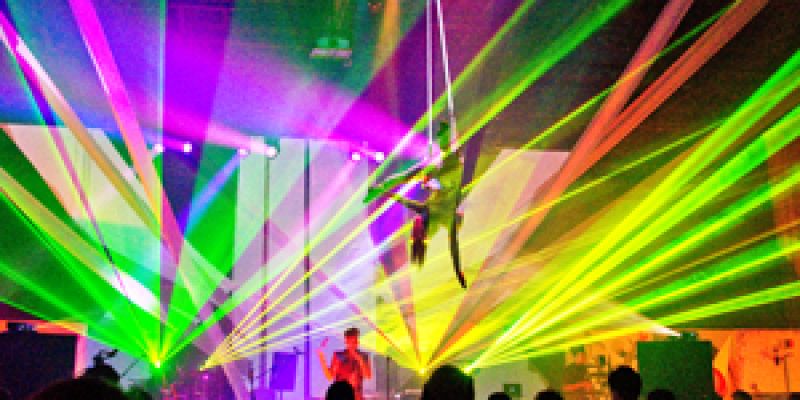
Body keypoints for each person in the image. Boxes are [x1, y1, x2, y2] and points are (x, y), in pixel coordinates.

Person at [367, 121, 468, 288]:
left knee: (416, 175)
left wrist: (383, 190)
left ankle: (445, 137)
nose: (417, 223)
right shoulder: (445, 218)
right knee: (425, 175)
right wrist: (459, 272)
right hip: (448, 176)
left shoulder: (425, 210)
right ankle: (447, 135)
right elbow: (454, 250)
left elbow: (404, 199)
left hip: (443, 175)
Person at [317, 328, 372, 400]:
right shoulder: (339, 356)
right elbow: (330, 376)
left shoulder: (364, 356)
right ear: (346, 342)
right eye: (350, 342)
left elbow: (367, 375)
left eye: (355, 341)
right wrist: (321, 357)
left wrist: (359, 359)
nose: (353, 344)